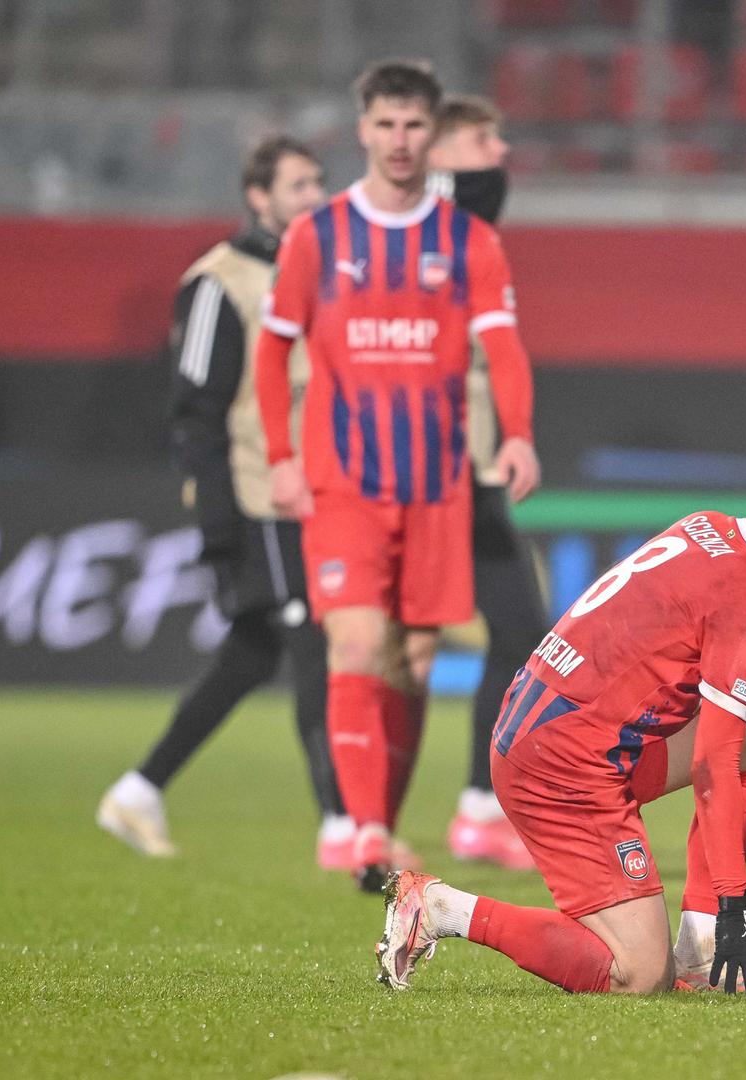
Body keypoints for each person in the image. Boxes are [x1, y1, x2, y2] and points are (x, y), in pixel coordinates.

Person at [372, 508, 746, 995]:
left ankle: (700, 954)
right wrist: (736, 902)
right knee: (640, 975)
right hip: (562, 769)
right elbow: (712, 761)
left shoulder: (710, 530)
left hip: (543, 731)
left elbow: (735, 665)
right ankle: (441, 909)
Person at [253, 59, 542, 892]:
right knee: (355, 639)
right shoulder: (319, 237)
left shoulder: (467, 241)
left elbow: (503, 347)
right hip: (344, 480)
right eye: (385, 125)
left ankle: (383, 822)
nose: (400, 141)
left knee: (415, 662)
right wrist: (280, 456)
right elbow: (272, 348)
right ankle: (366, 833)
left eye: (414, 125)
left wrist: (517, 436)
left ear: (430, 132)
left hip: (438, 484)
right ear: (363, 130)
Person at [97, 135, 357, 864]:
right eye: (298, 185)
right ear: (257, 196)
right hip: (257, 495)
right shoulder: (219, 282)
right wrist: (217, 518)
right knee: (313, 640)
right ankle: (341, 823)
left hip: (318, 494)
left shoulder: (324, 273)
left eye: (318, 184)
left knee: (249, 656)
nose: (314, 197)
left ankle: (139, 790)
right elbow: (196, 411)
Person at [424, 94, 546, 872]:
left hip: (465, 466)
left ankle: (477, 808)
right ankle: (360, 817)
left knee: (517, 628)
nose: (501, 149)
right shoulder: (420, 237)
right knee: (392, 646)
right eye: (482, 138)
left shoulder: (469, 236)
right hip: (418, 471)